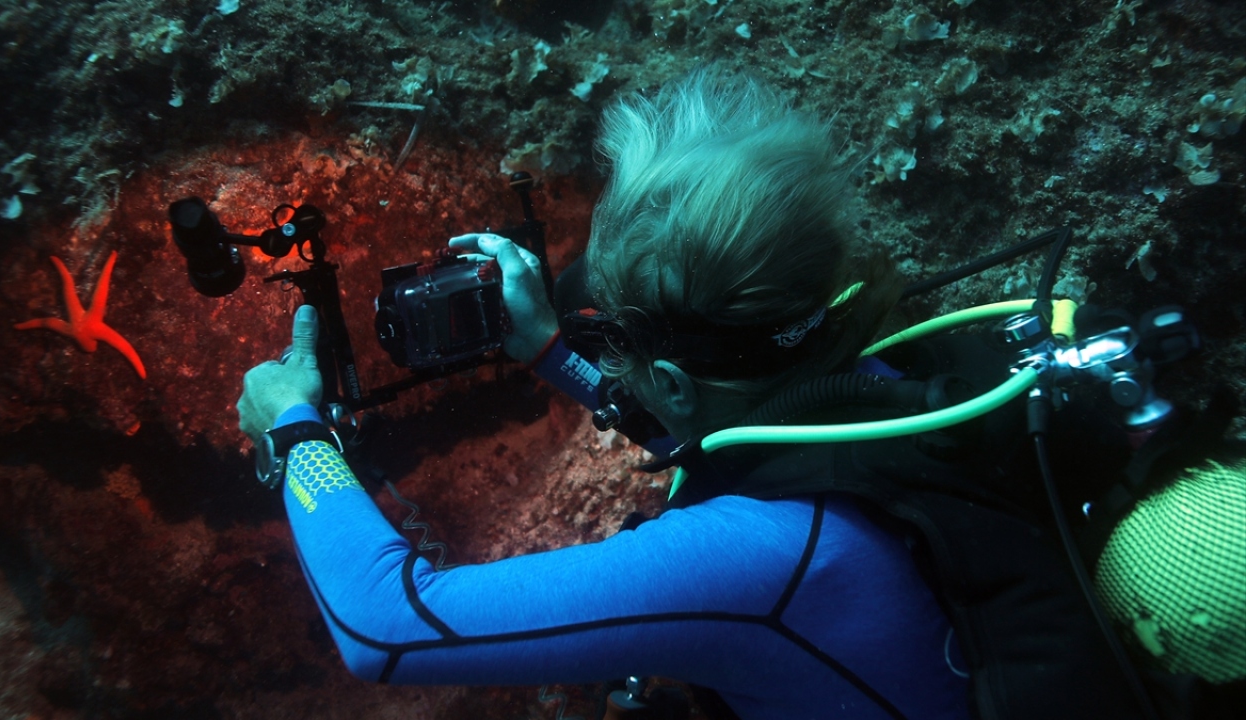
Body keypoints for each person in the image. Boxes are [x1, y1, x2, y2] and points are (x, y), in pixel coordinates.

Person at [239, 69, 1238, 719]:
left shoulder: (753, 560)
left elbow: (387, 626)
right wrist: (552, 352)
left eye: (619, 353)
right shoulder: (886, 373)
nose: (615, 369)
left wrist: (295, 429)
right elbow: (738, 434)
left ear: (670, 375)